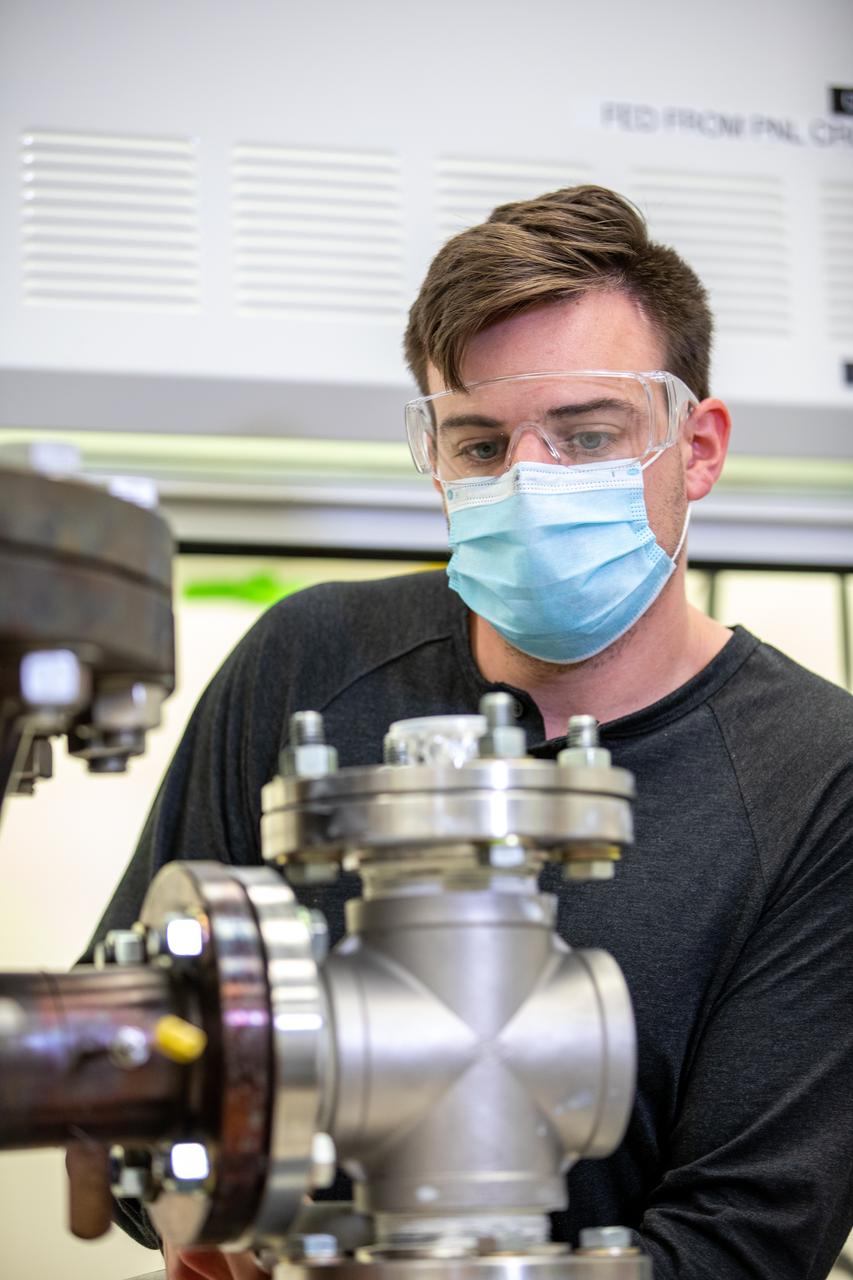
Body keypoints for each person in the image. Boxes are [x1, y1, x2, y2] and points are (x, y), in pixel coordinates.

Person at [87, 186, 853, 1280]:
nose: (530, 483)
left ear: (698, 447)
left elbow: (749, 1236)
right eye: (483, 444)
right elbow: (129, 1056)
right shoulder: (307, 661)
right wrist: (195, 1207)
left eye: (588, 435)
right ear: (435, 453)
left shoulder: (818, 776)